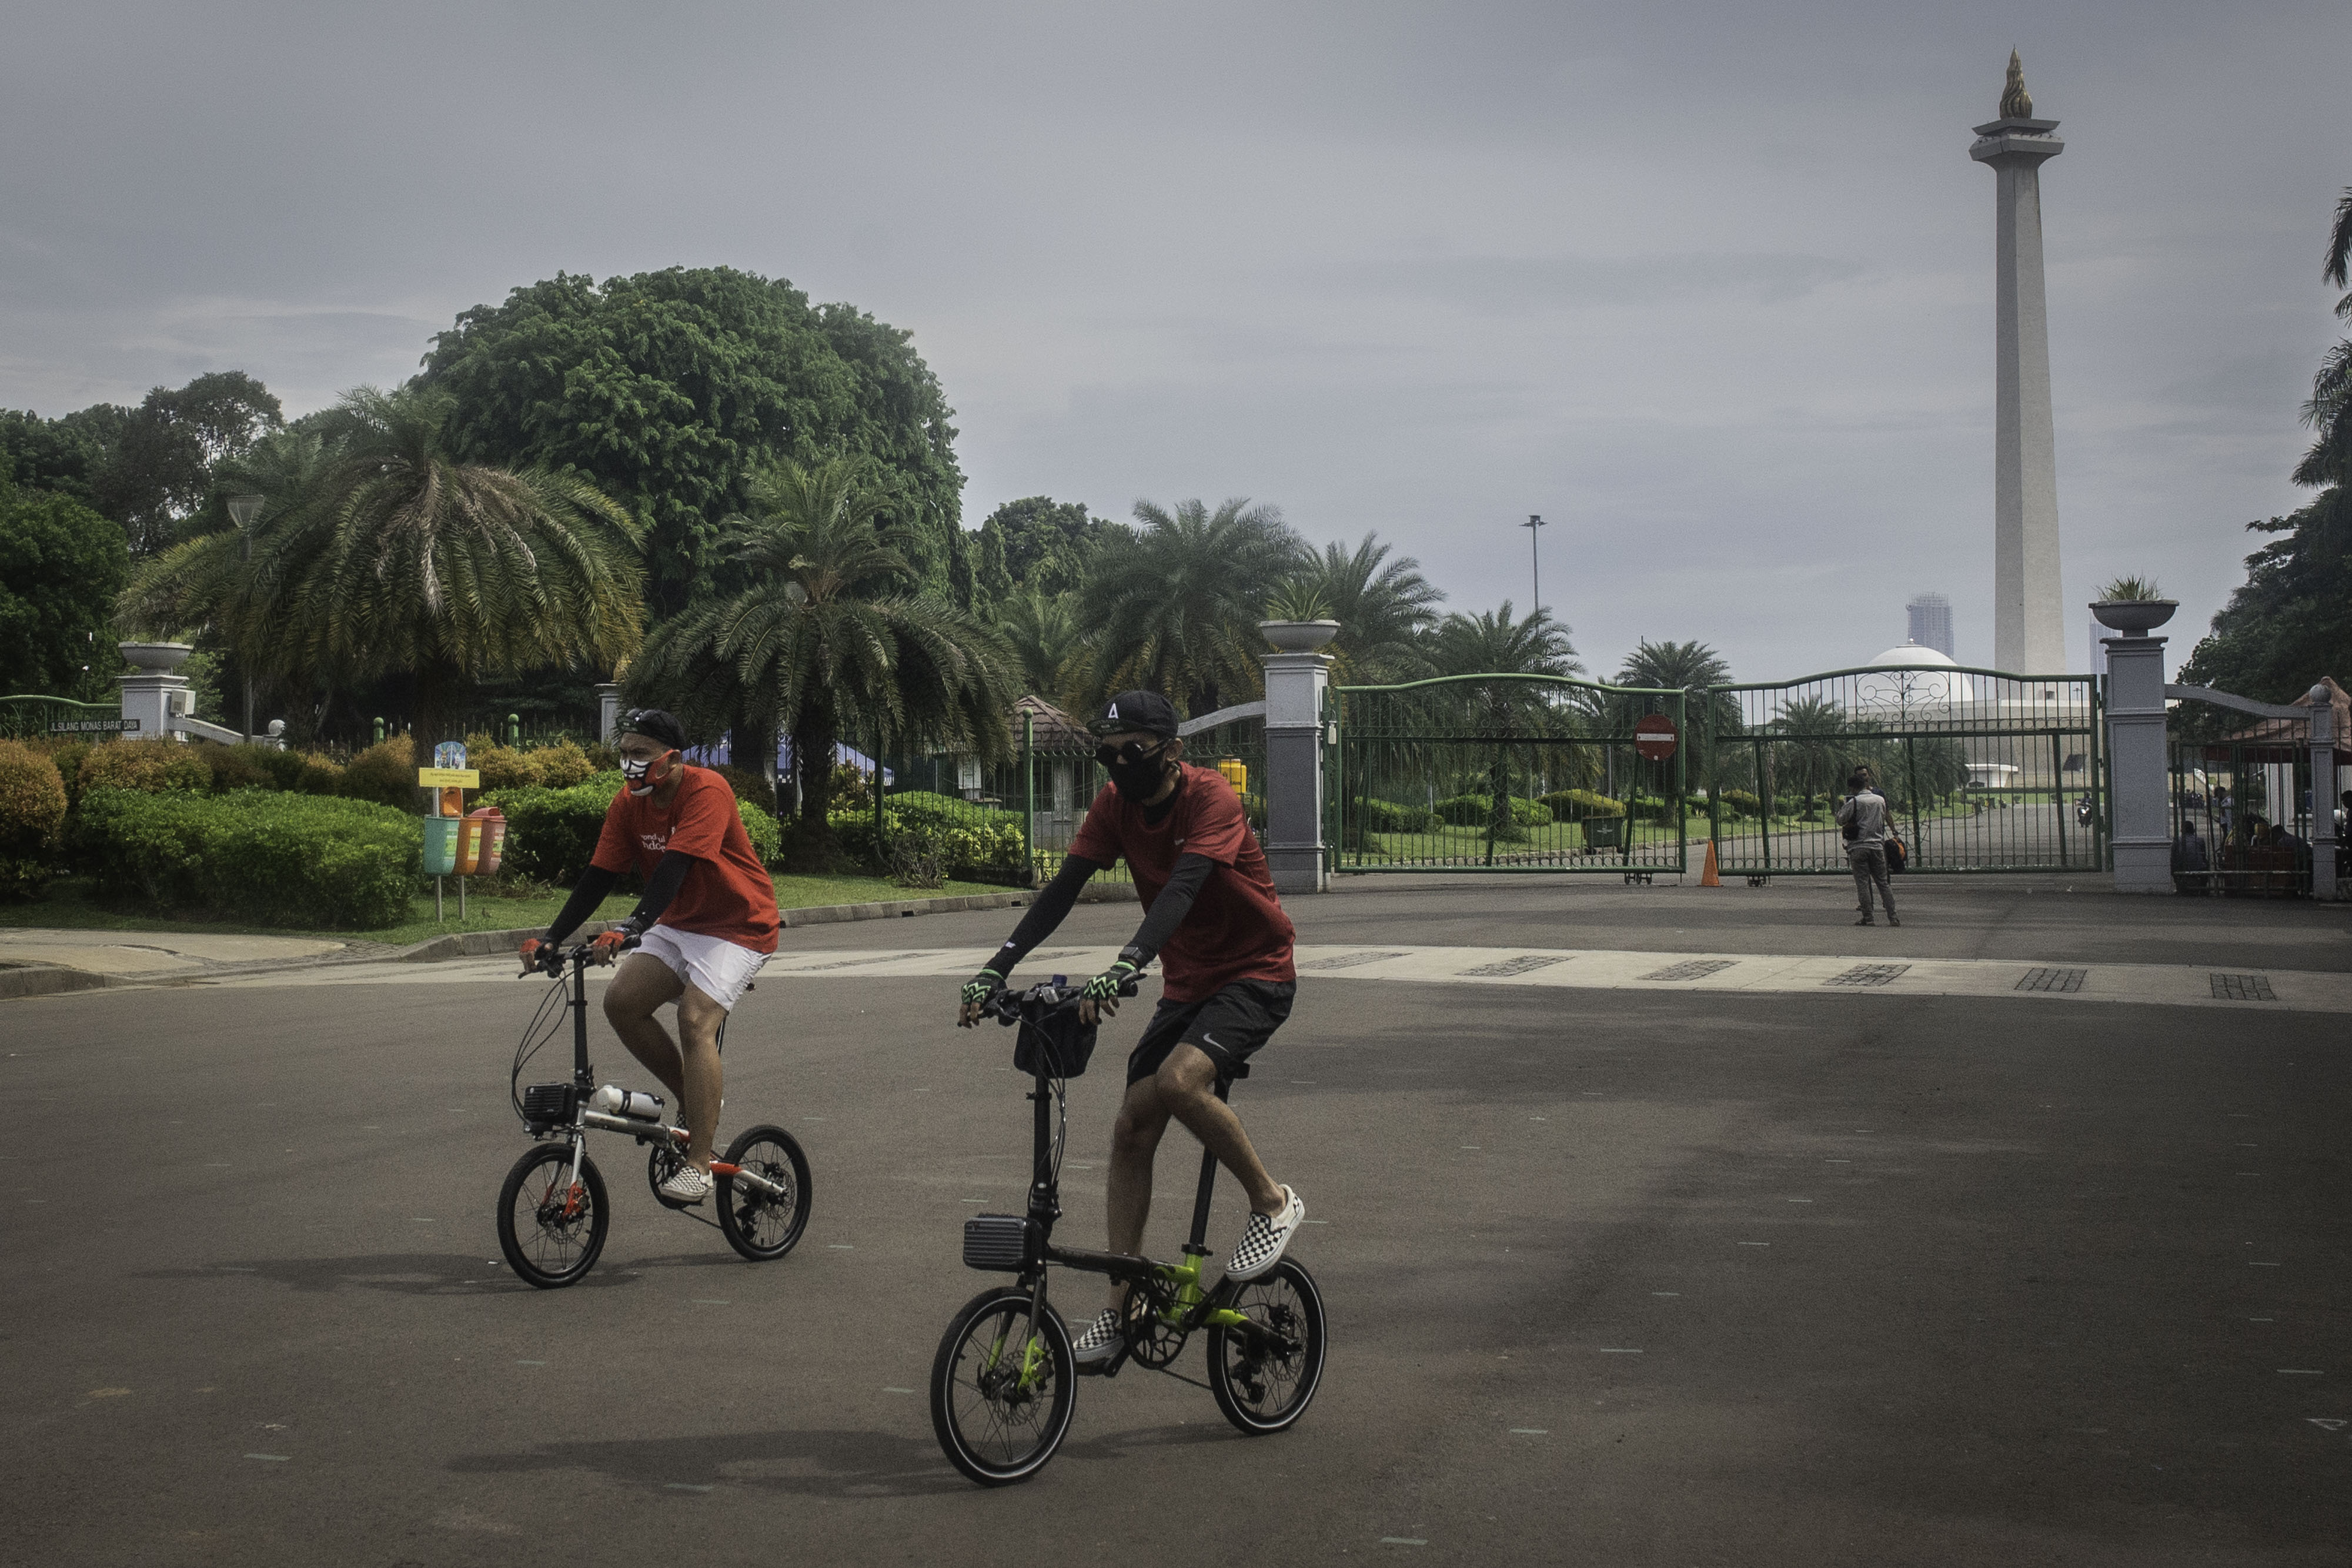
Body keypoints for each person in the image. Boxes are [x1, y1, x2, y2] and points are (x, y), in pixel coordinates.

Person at [956, 689, 1304, 1365]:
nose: (1118, 766)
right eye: (1107, 753)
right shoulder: (1114, 805)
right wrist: (995, 967)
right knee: (1129, 1128)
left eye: (1133, 752)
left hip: (1254, 973)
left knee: (1179, 1083)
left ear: (1171, 751)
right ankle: (1121, 1311)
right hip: (1187, 983)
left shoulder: (1211, 800)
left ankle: (1272, 1202)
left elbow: (1182, 887)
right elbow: (1063, 887)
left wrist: (1125, 964)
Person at [520, 709, 780, 1204]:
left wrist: (632, 927)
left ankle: (700, 1165)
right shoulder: (628, 803)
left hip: (738, 927)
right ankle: (694, 1097)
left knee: (694, 1019)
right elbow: (600, 873)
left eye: (639, 754)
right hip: (681, 922)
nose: (629, 764)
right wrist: (552, 936)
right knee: (621, 1002)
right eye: (623, 754)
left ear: (672, 759)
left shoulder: (707, 790)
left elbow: (676, 866)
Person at [1835, 766, 1899, 927]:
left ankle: (1868, 918)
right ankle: (1893, 917)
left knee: (1863, 883)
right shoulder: (1880, 800)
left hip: (1859, 847)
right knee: (1883, 883)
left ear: (1853, 788)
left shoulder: (1855, 801)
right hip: (1877, 846)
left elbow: (1841, 819)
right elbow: (1885, 816)